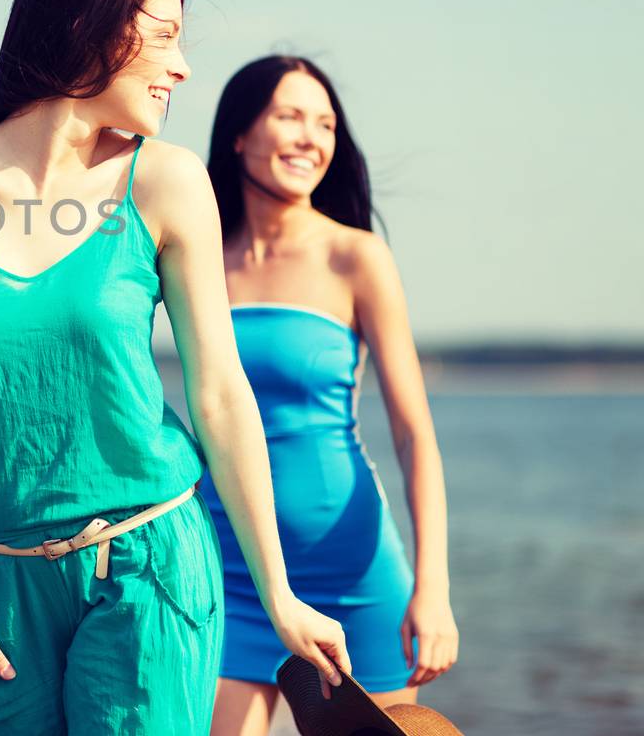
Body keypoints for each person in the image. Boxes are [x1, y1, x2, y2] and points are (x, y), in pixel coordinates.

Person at [0, 0, 351, 735]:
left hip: (149, 564)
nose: (183, 67)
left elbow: (220, 396)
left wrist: (279, 593)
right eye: (164, 38)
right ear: (89, 30)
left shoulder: (169, 181)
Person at [197, 56, 459, 736]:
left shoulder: (356, 256)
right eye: (289, 115)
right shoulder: (195, 259)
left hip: (352, 569)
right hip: (230, 565)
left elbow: (413, 434)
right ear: (238, 133)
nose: (311, 137)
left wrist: (433, 588)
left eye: (325, 123)